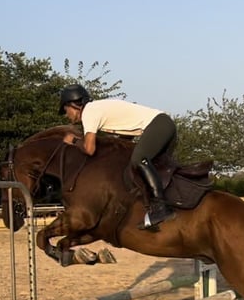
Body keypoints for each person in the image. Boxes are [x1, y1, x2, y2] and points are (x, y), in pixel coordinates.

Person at [59, 84, 176, 229]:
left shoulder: (89, 112)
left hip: (159, 125)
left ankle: (161, 208)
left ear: (74, 105)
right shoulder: (97, 109)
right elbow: (125, 134)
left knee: (139, 159)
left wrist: (74, 141)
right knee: (155, 168)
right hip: (163, 124)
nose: (66, 115)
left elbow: (89, 149)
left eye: (66, 110)